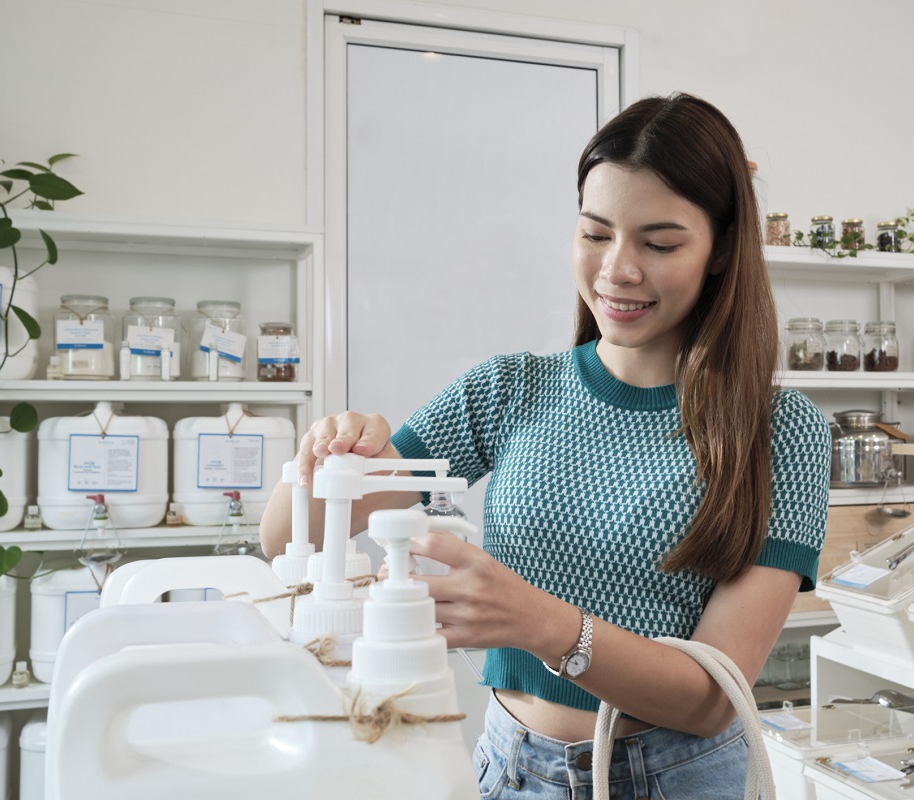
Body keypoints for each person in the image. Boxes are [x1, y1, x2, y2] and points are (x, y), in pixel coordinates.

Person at [260, 91, 830, 799]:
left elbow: (712, 695)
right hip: (508, 766)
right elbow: (286, 533)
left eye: (659, 243)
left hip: (674, 778)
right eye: (595, 233)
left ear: (720, 250)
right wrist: (325, 453)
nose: (617, 270)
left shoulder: (782, 432)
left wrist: (539, 622)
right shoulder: (506, 391)